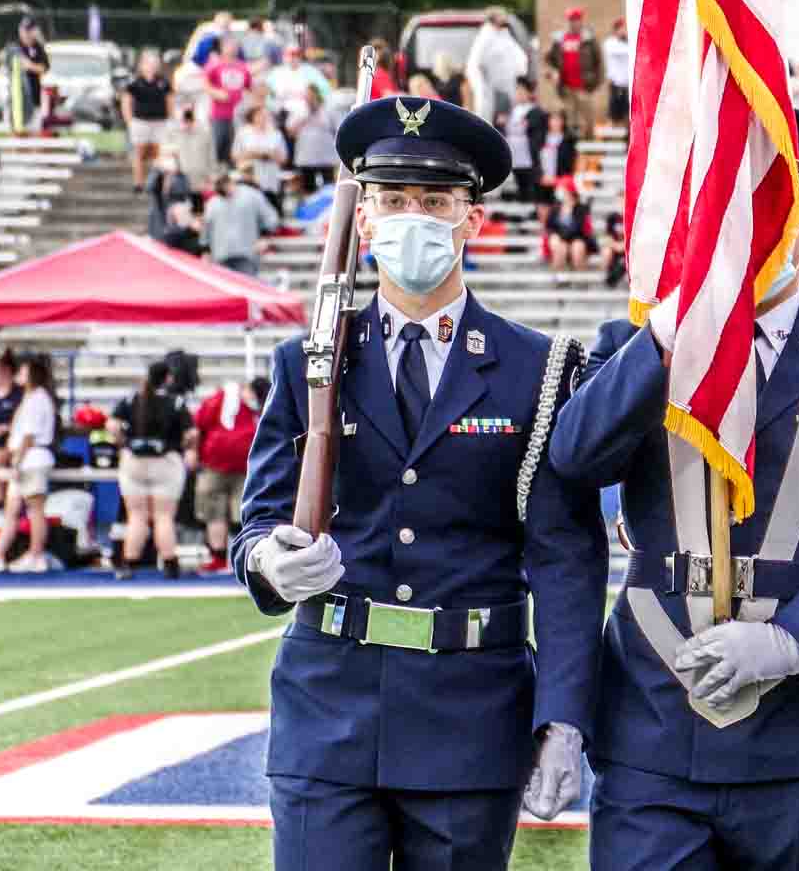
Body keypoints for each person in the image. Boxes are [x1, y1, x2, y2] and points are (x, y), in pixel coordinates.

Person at [551, 112, 799, 871]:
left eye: (770, 210)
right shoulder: (633, 345)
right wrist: (664, 337)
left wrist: (795, 640)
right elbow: (575, 458)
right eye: (728, 212)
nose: (748, 233)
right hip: (654, 710)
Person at [234, 95, 607, 869]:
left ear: (473, 220)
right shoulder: (306, 363)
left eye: (436, 201)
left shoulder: (539, 371)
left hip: (470, 713)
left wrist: (565, 717)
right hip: (327, 705)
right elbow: (259, 518)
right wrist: (270, 558)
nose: (416, 219)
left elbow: (565, 557)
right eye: (394, 201)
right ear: (362, 222)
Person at [109, 361, 193, 580]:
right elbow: (191, 434)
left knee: (136, 516)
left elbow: (113, 426)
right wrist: (185, 448)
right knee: (164, 516)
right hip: (165, 461)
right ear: (168, 378)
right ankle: (169, 563)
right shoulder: (175, 402)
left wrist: (123, 443)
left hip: (134, 462)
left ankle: (129, 562)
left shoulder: (133, 398)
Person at [0, 355, 59, 573]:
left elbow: (28, 436)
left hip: (32, 460)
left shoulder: (38, 398)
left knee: (35, 510)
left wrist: (16, 461)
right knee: (11, 511)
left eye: (23, 371)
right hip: (24, 460)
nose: (19, 373)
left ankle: (36, 555)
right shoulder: (29, 398)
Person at [192, 376, 266, 576]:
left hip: (226, 463)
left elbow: (199, 423)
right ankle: (235, 558)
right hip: (239, 463)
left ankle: (225, 558)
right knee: (232, 513)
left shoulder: (223, 399)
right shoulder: (256, 403)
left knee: (223, 513)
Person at [202, 171, 278, 276]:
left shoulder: (252, 196)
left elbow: (270, 217)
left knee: (247, 286)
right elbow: (206, 229)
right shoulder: (213, 203)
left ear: (230, 183)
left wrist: (265, 237)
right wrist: (205, 250)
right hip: (220, 255)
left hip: (246, 253)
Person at [122, 51, 177, 189]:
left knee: (158, 153)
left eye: (154, 64)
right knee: (139, 153)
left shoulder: (163, 82)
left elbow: (170, 101)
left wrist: (171, 119)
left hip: (160, 122)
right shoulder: (134, 82)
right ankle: (138, 182)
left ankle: (155, 183)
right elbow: (126, 101)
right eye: (149, 64)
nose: (152, 67)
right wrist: (129, 120)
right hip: (141, 122)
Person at [546, 7, 603, 137]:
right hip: (566, 86)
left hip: (584, 85)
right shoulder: (559, 39)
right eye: (571, 20)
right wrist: (552, 72)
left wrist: (596, 82)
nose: (574, 23)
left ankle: (589, 146)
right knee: (570, 118)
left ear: (581, 21)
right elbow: (548, 60)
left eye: (576, 20)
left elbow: (599, 62)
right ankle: (572, 149)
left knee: (587, 118)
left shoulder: (589, 39)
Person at [465, 8, 529, 122]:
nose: (504, 19)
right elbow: (476, 62)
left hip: (504, 84)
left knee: (506, 115)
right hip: (488, 85)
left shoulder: (504, 35)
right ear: (494, 19)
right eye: (501, 16)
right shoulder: (485, 37)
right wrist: (484, 82)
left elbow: (515, 55)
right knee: (486, 113)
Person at [204, 35, 253, 165]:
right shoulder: (214, 65)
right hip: (219, 114)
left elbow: (249, 87)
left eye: (234, 45)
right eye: (229, 45)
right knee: (218, 145)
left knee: (235, 147)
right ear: (222, 47)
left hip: (238, 114)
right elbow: (206, 85)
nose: (232, 48)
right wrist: (216, 93)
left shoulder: (242, 66)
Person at [289, 86, 344, 195]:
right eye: (307, 96)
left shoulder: (329, 110)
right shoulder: (299, 110)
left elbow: (339, 129)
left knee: (329, 188)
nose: (309, 98)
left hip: (326, 158)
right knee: (308, 190)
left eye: (312, 96)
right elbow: (290, 131)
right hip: (306, 158)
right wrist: (304, 118)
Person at [232, 105, 289, 210]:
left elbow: (284, 158)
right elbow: (235, 155)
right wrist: (253, 153)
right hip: (250, 181)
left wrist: (271, 155)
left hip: (270, 181)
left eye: (266, 115)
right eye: (260, 115)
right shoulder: (243, 133)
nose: (263, 118)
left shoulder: (276, 134)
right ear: (253, 117)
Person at [500, 78, 547, 202]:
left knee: (529, 179)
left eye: (522, 91)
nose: (519, 94)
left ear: (529, 93)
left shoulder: (535, 110)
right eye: (518, 91)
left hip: (527, 150)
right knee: (518, 177)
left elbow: (533, 126)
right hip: (513, 148)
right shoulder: (512, 110)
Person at [0, 17, 50, 133]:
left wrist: (30, 66)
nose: (26, 34)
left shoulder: (38, 47)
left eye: (29, 30)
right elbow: (4, 63)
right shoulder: (14, 47)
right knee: (16, 133)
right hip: (16, 100)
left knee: (33, 133)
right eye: (24, 30)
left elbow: (44, 68)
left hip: (34, 98)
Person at [0, 353, 23, 513]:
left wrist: (5, 428)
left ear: (6, 370)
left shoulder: (19, 394)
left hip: (13, 446)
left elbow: (24, 422)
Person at [544, 179, 596, 271]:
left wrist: (564, 237)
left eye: (563, 190)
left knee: (577, 247)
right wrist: (557, 236)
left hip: (577, 238)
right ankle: (559, 278)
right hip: (560, 238)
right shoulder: (556, 207)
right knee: (560, 247)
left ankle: (580, 279)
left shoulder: (581, 208)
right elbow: (549, 225)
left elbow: (579, 228)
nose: (559, 192)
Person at [536, 110, 577, 192]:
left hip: (560, 179)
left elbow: (569, 164)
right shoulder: (541, 138)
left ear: (563, 122)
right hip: (542, 178)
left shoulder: (568, 140)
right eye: (553, 120)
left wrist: (556, 178)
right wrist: (541, 175)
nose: (555, 123)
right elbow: (536, 160)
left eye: (558, 120)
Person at [603, 17, 633, 127]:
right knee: (614, 113)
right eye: (621, 29)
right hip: (616, 83)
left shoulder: (631, 42)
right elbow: (624, 51)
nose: (623, 31)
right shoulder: (610, 43)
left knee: (628, 113)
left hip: (628, 84)